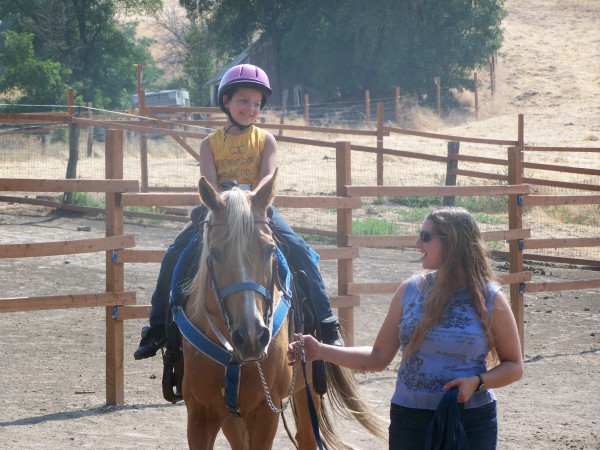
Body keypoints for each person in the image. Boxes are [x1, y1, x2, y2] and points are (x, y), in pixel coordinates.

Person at [134, 63, 343, 360]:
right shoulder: (210, 144)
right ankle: (156, 327)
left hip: (258, 211)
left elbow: (269, 180)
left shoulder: (265, 140)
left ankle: (327, 324)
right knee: (174, 255)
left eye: (256, 104)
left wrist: (250, 200)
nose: (250, 108)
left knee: (301, 251)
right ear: (226, 102)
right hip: (220, 213)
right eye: (244, 100)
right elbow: (208, 183)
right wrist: (227, 203)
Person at [288, 207, 523, 450]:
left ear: (452, 242)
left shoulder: (490, 297)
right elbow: (377, 358)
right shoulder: (410, 291)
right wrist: (320, 351)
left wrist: (477, 382)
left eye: (425, 236)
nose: (417, 243)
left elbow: (514, 366)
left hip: (470, 419)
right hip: (409, 419)